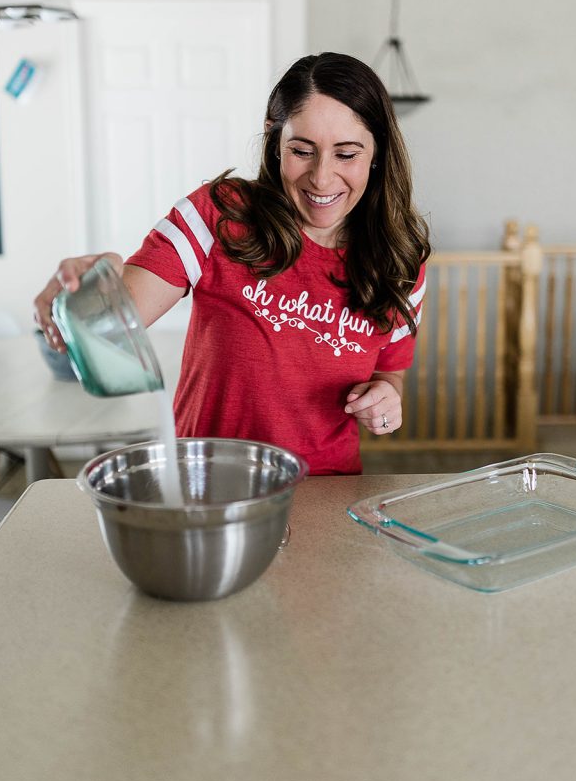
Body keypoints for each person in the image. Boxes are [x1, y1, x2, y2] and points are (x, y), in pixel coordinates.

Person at [34, 52, 430, 475]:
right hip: (205, 483)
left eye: (346, 155)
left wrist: (385, 402)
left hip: (323, 492)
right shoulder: (219, 215)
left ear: (377, 152)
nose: (322, 177)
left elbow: (390, 375)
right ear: (274, 139)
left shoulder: (401, 261)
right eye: (302, 150)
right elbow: (106, 329)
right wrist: (86, 295)